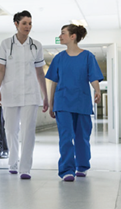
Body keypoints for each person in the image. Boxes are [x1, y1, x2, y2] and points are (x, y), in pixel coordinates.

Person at [0, 11, 49, 179]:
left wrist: (45, 95)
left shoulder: (36, 45)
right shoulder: (5, 44)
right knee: (10, 130)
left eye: (30, 23)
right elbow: (1, 69)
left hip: (31, 93)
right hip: (10, 92)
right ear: (16, 24)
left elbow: (40, 72)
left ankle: (25, 168)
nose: (28, 27)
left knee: (28, 131)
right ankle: (13, 161)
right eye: (24, 23)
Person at [45, 24, 104, 182]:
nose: (60, 36)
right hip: (62, 102)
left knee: (82, 137)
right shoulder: (58, 58)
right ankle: (66, 170)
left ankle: (82, 166)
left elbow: (93, 77)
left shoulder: (87, 56)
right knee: (66, 136)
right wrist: (51, 104)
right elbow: (54, 83)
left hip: (82, 101)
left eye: (63, 33)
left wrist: (97, 90)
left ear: (73, 37)